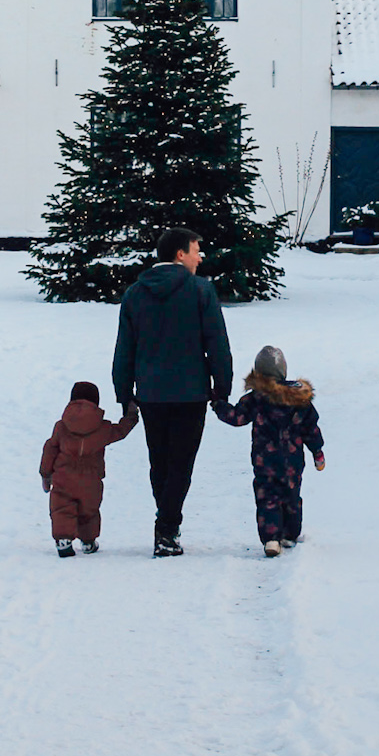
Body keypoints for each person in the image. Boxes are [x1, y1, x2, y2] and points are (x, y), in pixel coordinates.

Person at [113, 227, 233, 557]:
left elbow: (125, 348)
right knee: (181, 464)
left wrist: (124, 393)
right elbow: (217, 344)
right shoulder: (200, 291)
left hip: (150, 393)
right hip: (191, 393)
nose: (199, 257)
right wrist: (221, 388)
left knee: (160, 462)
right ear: (180, 254)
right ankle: (167, 528)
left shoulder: (135, 293)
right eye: (196, 250)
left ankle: (166, 522)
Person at [212, 346, 325, 557]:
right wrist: (318, 452)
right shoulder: (300, 400)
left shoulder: (256, 398)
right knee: (291, 496)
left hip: (265, 461)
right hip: (292, 462)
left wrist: (219, 405)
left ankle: (271, 539)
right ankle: (290, 533)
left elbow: (237, 417)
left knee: (267, 498)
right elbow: (311, 429)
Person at [39, 381, 139, 557]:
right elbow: (121, 431)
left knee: (62, 507)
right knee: (89, 511)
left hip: (64, 477)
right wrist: (131, 415)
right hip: (91, 480)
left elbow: (50, 448)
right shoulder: (103, 428)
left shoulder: (61, 426)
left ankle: (63, 540)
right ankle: (88, 541)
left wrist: (46, 474)